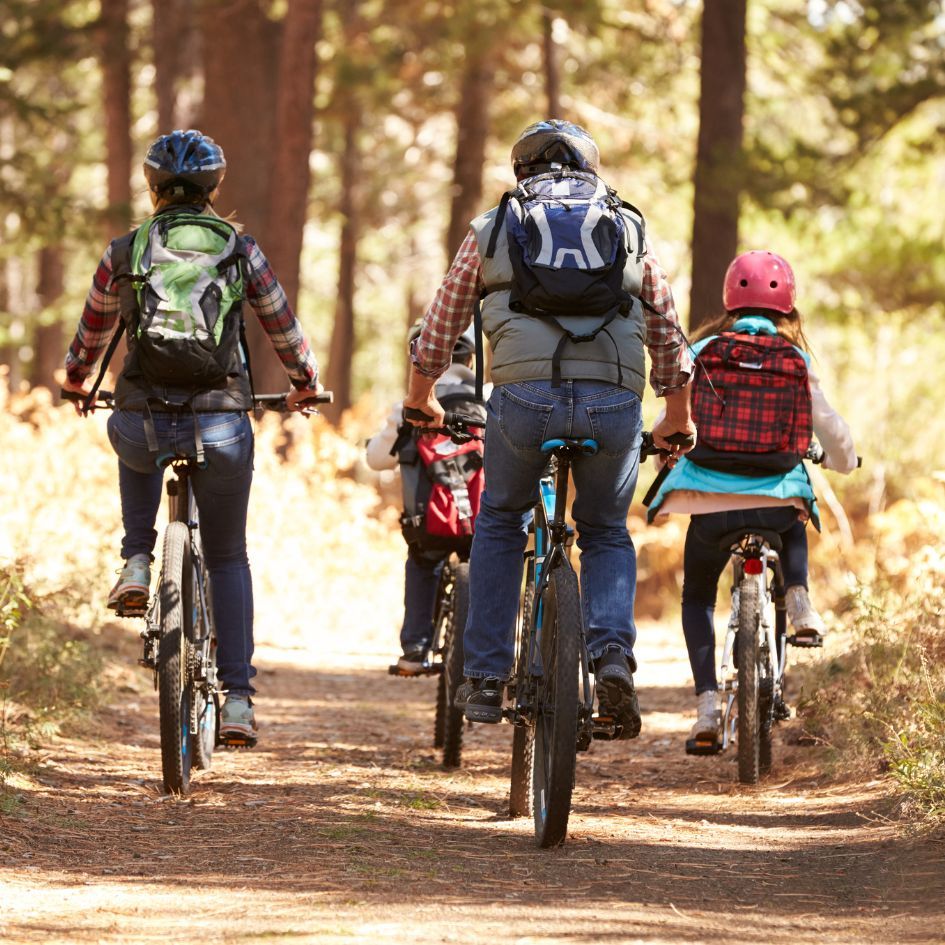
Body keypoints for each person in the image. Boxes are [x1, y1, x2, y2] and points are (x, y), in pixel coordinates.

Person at [403, 119, 695, 737]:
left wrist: (421, 400)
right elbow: (667, 327)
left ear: (521, 172)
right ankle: (611, 655)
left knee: (502, 520)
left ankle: (483, 677)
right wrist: (677, 414)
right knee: (607, 531)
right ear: (591, 170)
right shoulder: (628, 225)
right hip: (614, 401)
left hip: (523, 401)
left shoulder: (495, 226)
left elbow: (439, 328)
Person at [62, 129, 322, 747]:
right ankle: (236, 700)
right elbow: (282, 326)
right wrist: (305, 382)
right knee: (229, 555)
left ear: (152, 188)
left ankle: (136, 557)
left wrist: (77, 381)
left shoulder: (126, 250)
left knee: (135, 435)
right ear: (213, 189)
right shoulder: (240, 249)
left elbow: (92, 334)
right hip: (222, 418)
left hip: (142, 414)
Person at [647, 250, 857, 749]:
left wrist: (662, 457)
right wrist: (845, 462)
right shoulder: (796, 360)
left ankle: (704, 708)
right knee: (794, 517)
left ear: (729, 300)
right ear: (787, 306)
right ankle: (799, 598)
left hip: (709, 500)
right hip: (775, 497)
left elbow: (674, 420)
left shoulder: (703, 351)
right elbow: (832, 430)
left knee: (697, 596)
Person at [365, 324, 486, 674]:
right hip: (483, 520)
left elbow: (376, 459)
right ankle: (489, 657)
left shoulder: (409, 406)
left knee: (422, 561)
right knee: (490, 566)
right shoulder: (488, 397)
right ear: (470, 358)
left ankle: (416, 650)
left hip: (428, 523)